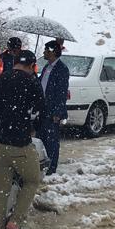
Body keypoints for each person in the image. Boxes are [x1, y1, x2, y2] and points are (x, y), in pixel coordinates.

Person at [0, 50, 45, 229]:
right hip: (20, 144)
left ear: (14, 62)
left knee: (1, 190)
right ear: (32, 65)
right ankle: (15, 222)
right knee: (32, 180)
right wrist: (31, 127)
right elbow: (41, 111)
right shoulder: (32, 83)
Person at [38, 40, 70, 175]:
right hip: (43, 108)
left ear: (52, 52)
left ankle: (51, 168)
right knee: (42, 138)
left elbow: (62, 92)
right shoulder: (47, 67)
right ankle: (43, 164)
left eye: (46, 50)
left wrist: (58, 112)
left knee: (52, 140)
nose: (44, 52)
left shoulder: (61, 69)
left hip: (52, 110)